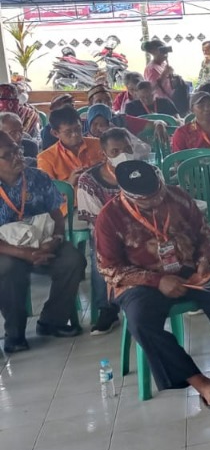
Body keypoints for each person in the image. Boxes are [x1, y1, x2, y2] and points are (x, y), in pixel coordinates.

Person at [95, 160, 210, 408]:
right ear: (127, 195)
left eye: (157, 193)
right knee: (140, 321)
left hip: (190, 270)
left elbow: (205, 234)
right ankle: (198, 381)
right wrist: (157, 280)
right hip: (143, 282)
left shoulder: (178, 197)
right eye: (146, 199)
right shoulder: (109, 217)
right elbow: (109, 268)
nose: (155, 201)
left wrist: (204, 261)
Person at [0, 132, 86, 352]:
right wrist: (25, 254)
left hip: (44, 241)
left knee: (73, 259)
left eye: (17, 150)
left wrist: (55, 240)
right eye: (8, 155)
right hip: (7, 250)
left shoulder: (37, 177)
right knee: (9, 269)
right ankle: (15, 334)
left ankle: (51, 321)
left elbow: (57, 215)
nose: (17, 157)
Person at [76, 128, 133, 335]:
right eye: (116, 151)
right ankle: (107, 309)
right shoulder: (88, 181)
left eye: (127, 149)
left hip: (142, 227)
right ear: (104, 154)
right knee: (100, 248)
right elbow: (97, 220)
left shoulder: (144, 172)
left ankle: (180, 286)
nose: (123, 154)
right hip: (108, 231)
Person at [37, 107, 105, 184]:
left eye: (78, 128)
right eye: (68, 132)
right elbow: (46, 191)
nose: (75, 134)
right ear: (55, 133)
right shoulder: (45, 158)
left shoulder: (100, 144)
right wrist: (68, 184)